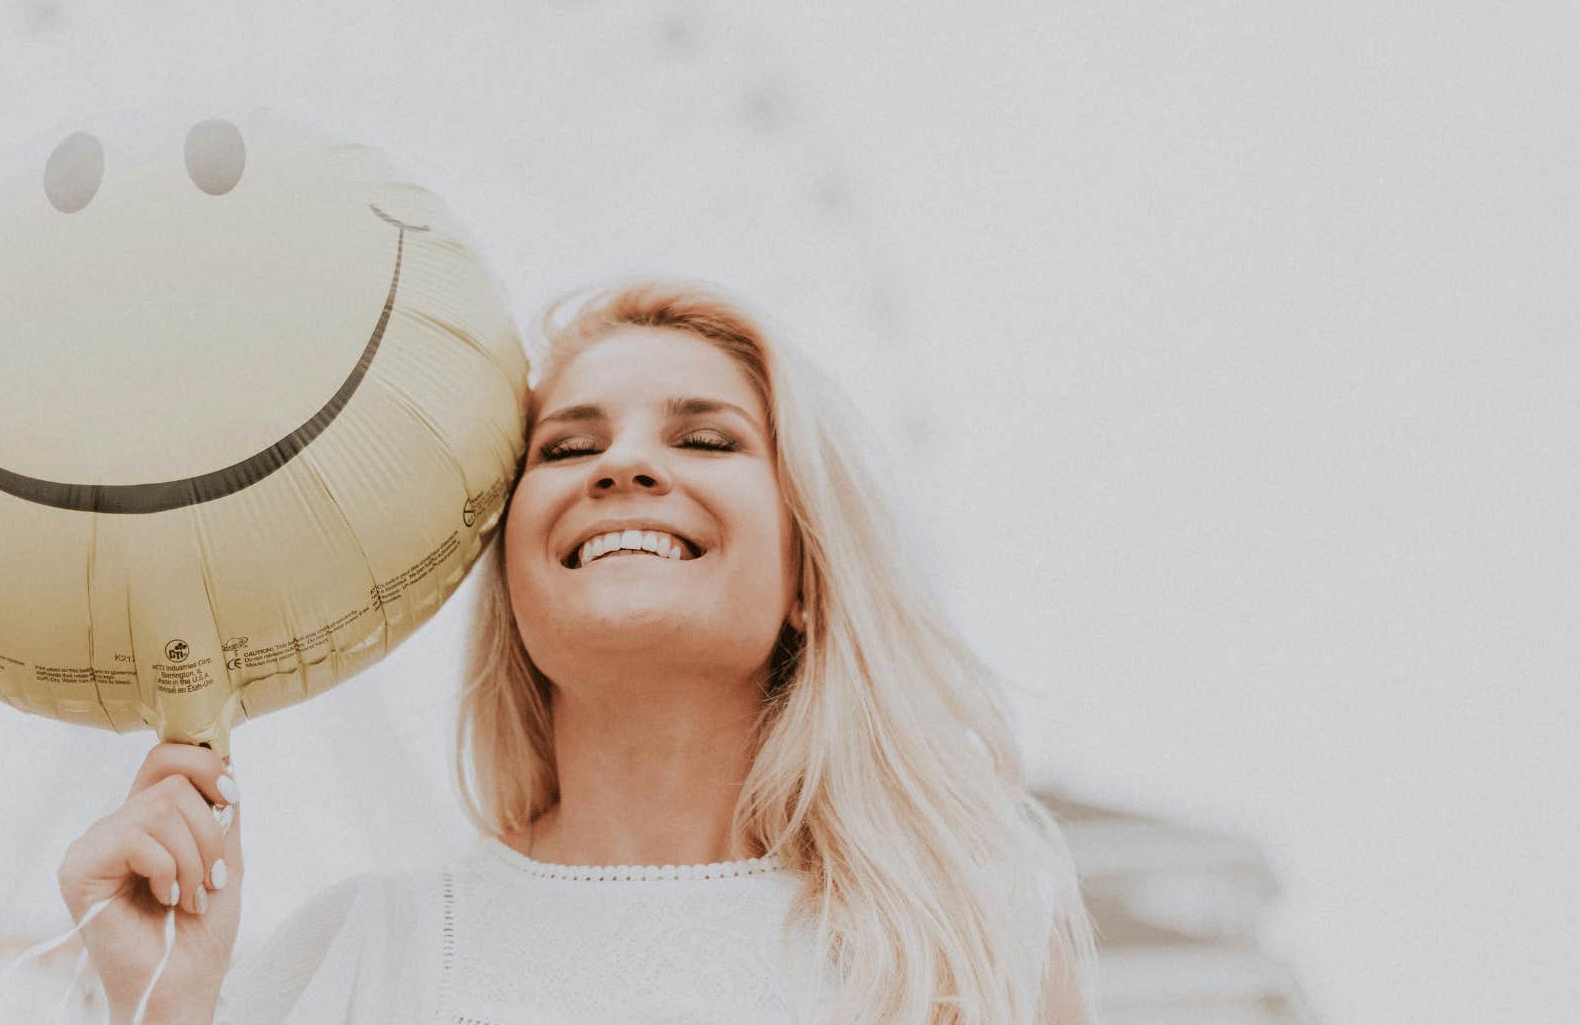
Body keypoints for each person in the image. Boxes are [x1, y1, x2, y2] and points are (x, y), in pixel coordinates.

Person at [58, 280, 1099, 1024]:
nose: (626, 464)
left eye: (705, 439)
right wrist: (166, 1008)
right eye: (569, 447)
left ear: (811, 584)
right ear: (511, 577)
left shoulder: (966, 958)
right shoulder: (366, 955)